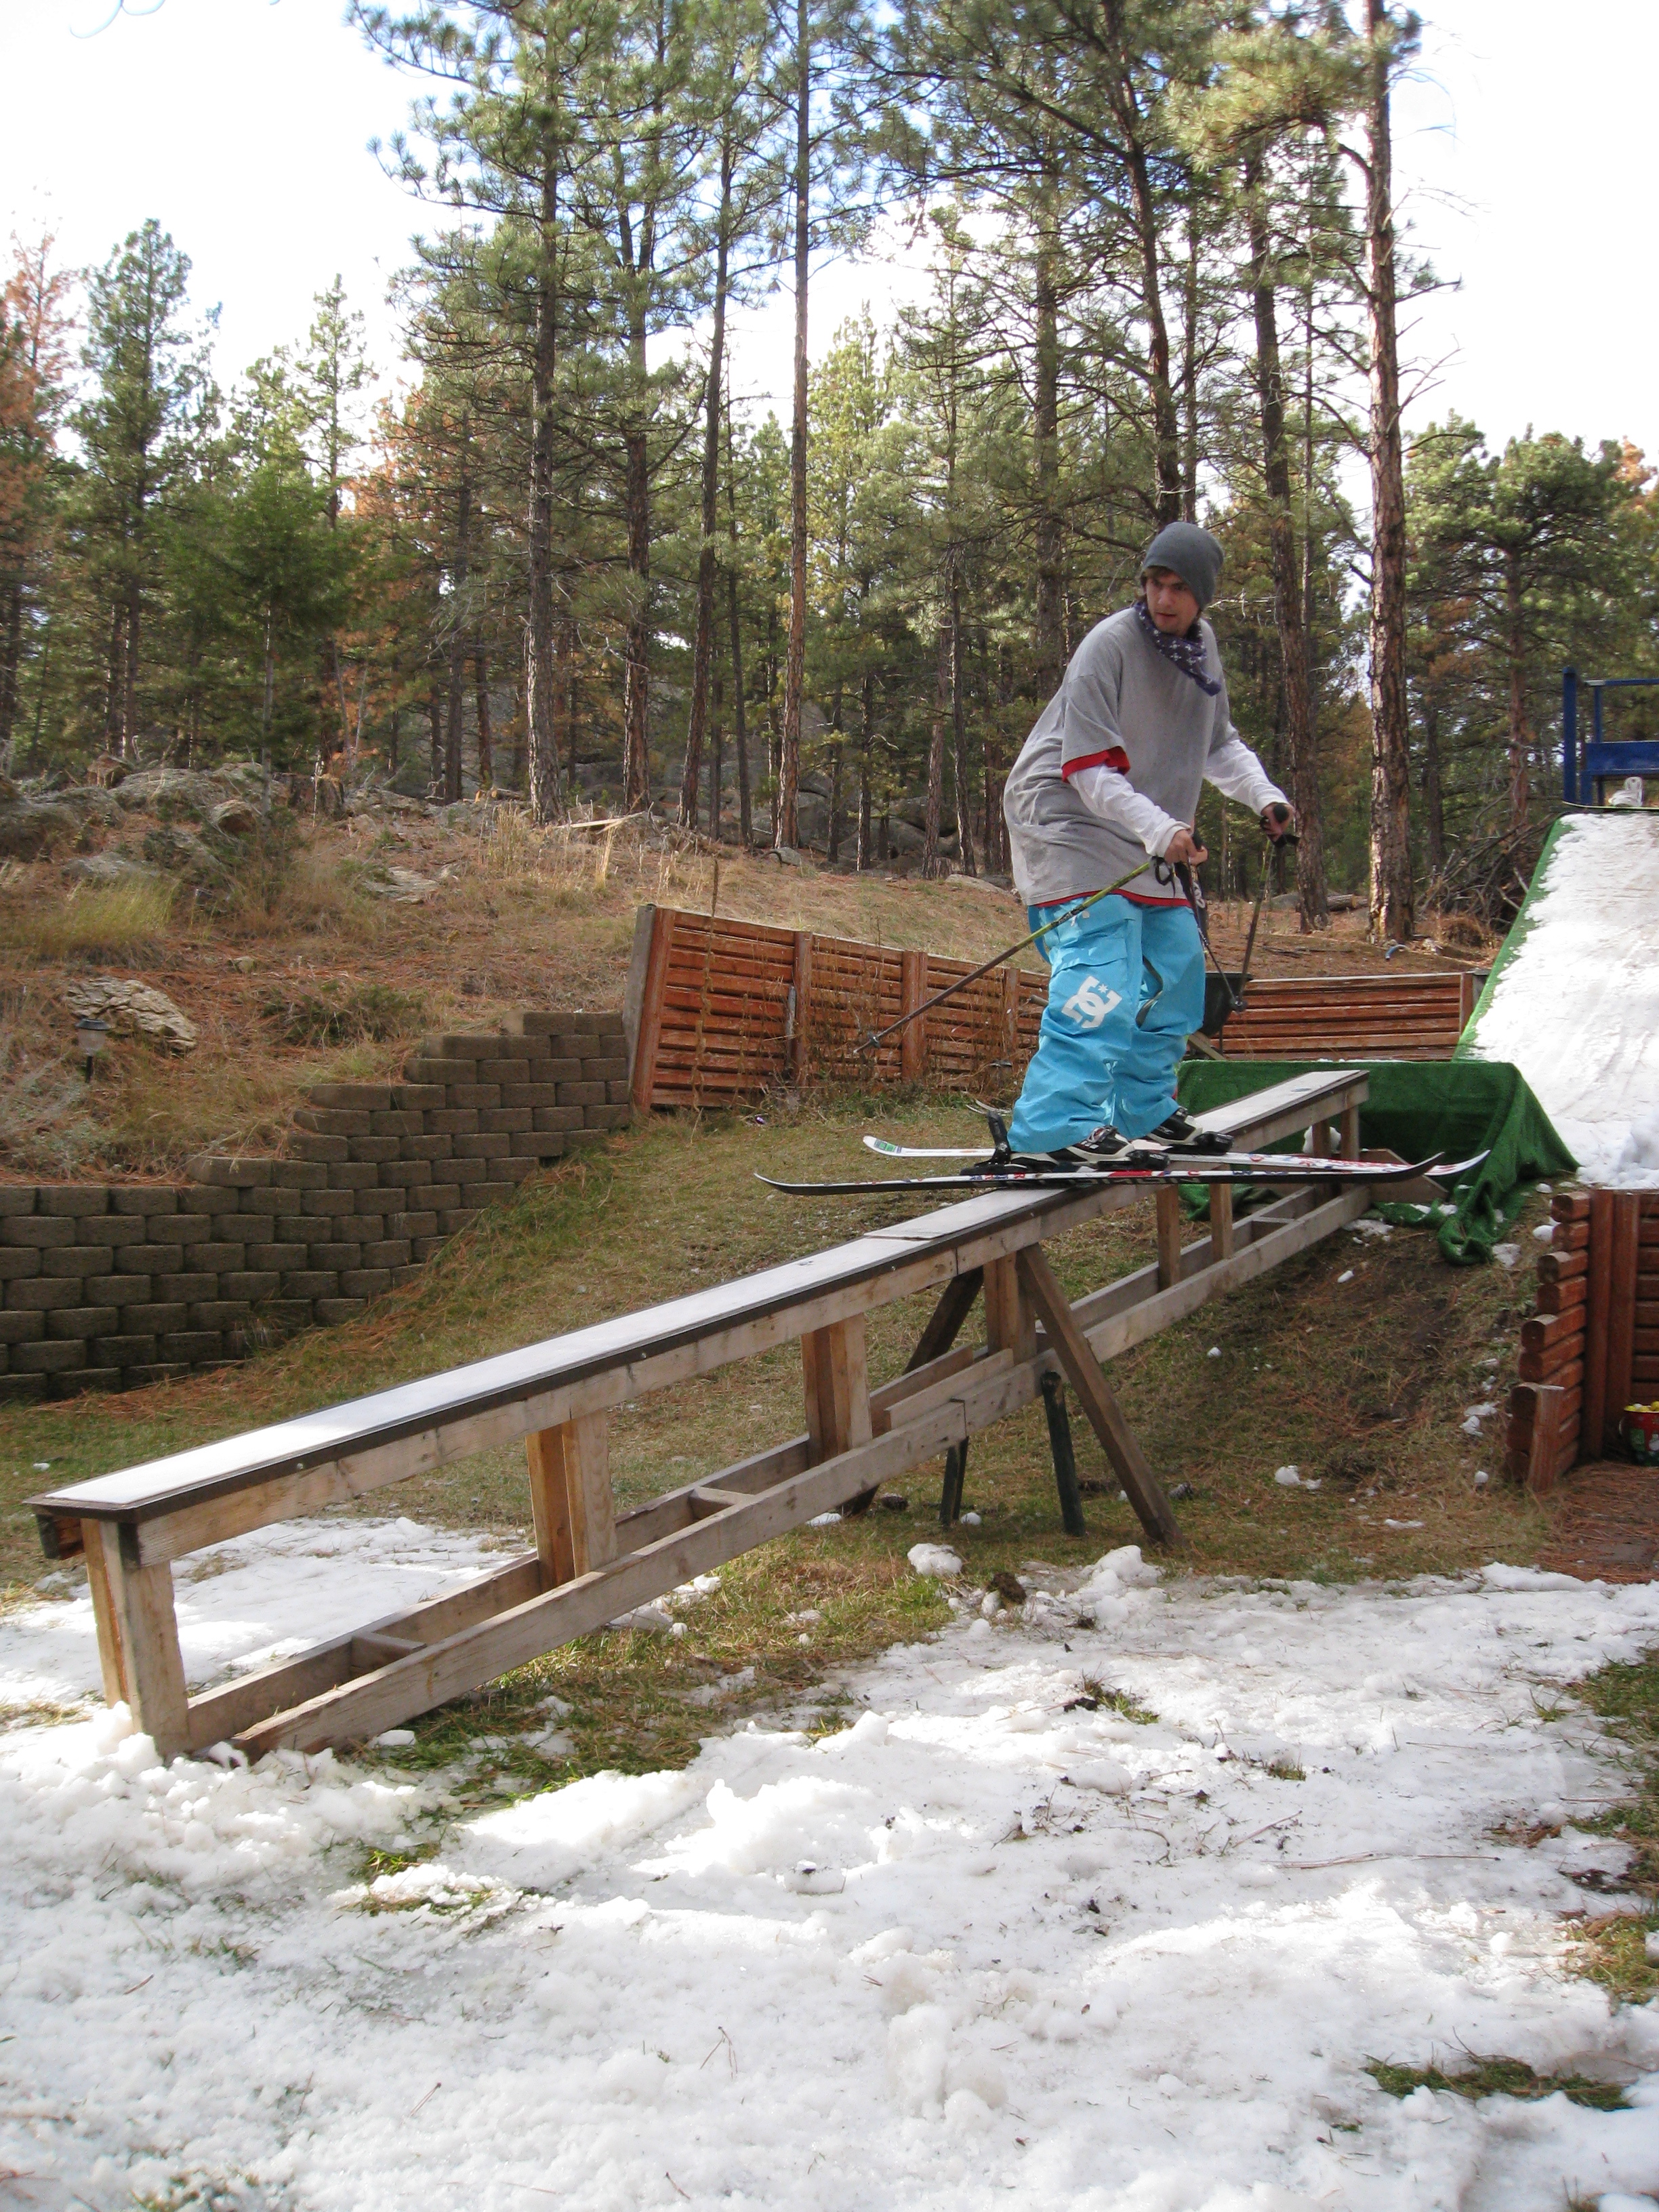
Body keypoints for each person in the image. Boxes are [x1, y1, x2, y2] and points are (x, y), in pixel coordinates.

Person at [999, 520, 1296, 1168]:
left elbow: (1218, 745)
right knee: (1103, 974)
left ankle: (1145, 1109)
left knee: (1179, 968)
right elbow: (1086, 770)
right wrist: (1161, 829)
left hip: (1145, 830)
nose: (1164, 599)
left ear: (1203, 597)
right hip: (1067, 817)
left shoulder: (1202, 651)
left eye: (1179, 588)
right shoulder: (1109, 645)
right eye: (1155, 584)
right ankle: (1050, 1128)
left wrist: (1264, 796)